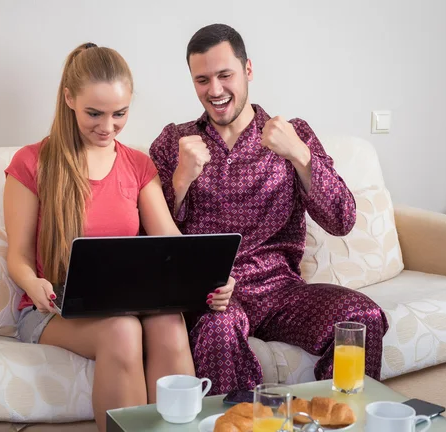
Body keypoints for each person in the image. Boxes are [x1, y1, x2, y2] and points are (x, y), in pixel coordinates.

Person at [3, 42, 234, 430]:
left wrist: (213, 279)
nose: (107, 127)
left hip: (128, 301)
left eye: (119, 114)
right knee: (123, 330)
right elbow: (19, 256)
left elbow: (173, 243)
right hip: (53, 309)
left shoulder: (137, 165)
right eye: (94, 113)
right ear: (69, 99)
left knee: (169, 322)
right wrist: (34, 282)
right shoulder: (31, 163)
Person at [149, 24, 389, 396]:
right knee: (218, 328)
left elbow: (342, 219)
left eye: (225, 75)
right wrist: (181, 180)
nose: (214, 90)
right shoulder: (174, 141)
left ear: (248, 70)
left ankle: (338, 418)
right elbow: (149, 238)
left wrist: (300, 155)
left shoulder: (294, 134)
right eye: (202, 79)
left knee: (363, 317)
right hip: (213, 295)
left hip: (281, 289)